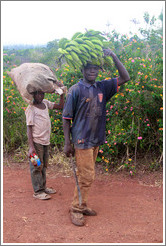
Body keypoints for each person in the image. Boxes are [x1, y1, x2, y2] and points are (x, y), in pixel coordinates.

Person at [62, 49, 130, 226]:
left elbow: (125, 77)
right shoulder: (75, 90)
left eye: (95, 69)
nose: (93, 71)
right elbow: (66, 118)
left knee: (85, 174)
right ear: (83, 70)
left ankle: (81, 204)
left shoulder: (102, 87)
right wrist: (67, 143)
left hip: (95, 138)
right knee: (87, 175)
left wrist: (114, 56)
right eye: (89, 68)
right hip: (81, 139)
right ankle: (76, 208)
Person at [25, 91, 64, 200]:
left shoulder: (45, 103)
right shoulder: (31, 108)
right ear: (33, 95)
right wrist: (31, 147)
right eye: (37, 94)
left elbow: (60, 106)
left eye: (42, 94)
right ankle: (38, 191)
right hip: (36, 143)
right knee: (36, 166)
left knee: (44, 165)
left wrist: (61, 94)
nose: (40, 96)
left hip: (45, 142)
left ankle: (43, 187)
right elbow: (29, 128)